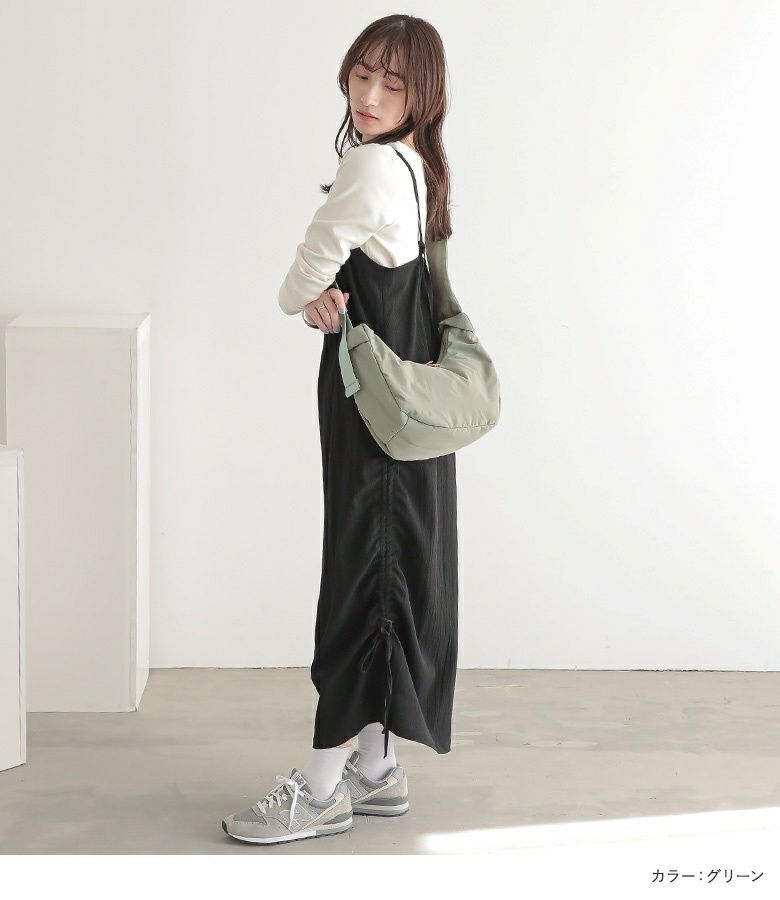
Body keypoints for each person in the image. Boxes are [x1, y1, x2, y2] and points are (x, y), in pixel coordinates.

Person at [222, 14, 458, 845]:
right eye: (362, 74)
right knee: (391, 573)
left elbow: (296, 284)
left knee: (363, 579)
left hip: (373, 413)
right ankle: (376, 767)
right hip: (409, 405)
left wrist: (310, 296)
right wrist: (323, 293)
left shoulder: (368, 165)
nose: (370, 94)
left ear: (423, 92)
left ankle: (322, 788)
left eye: (393, 82)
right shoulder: (420, 164)